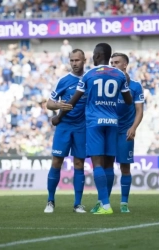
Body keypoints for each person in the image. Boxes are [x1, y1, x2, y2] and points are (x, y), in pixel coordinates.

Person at [52, 43, 132, 214]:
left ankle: (105, 205)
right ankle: (105, 202)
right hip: (112, 122)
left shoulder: (88, 75)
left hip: (95, 123)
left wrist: (58, 117)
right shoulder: (119, 74)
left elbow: (73, 101)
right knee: (109, 164)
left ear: (96, 56)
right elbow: (128, 101)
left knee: (97, 164)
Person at [44, 49, 87, 213]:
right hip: (64, 126)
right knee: (56, 162)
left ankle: (77, 203)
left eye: (77, 60)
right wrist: (58, 105)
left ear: (84, 60)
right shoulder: (63, 81)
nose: (75, 63)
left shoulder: (89, 79)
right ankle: (50, 201)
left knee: (79, 164)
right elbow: (49, 103)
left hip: (81, 127)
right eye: (72, 61)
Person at [110, 52, 144, 213]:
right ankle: (104, 202)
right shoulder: (107, 84)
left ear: (125, 65)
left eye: (116, 62)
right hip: (108, 130)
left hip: (125, 131)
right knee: (106, 166)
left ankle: (124, 203)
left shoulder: (135, 86)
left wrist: (133, 127)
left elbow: (139, 111)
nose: (113, 65)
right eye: (111, 63)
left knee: (125, 167)